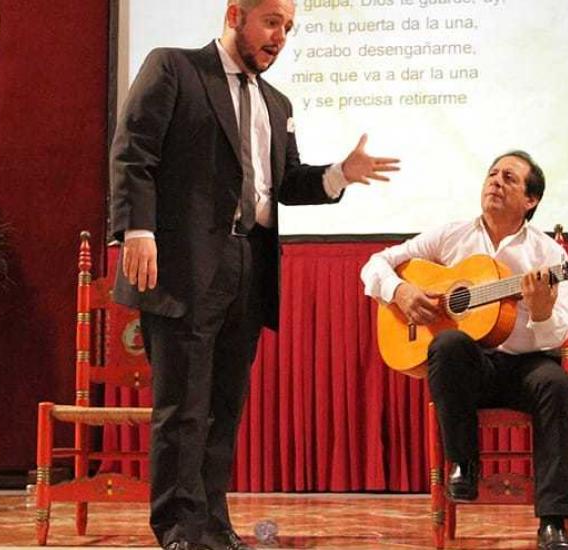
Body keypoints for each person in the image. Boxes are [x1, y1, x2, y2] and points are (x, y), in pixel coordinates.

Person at [109, 1, 399, 549]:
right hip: (185, 263)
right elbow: (133, 153)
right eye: (271, 22)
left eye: (288, 27)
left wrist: (339, 175)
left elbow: (285, 182)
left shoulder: (276, 101)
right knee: (184, 405)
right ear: (235, 14)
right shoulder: (174, 68)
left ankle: (213, 524)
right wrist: (137, 231)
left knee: (223, 406)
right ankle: (178, 528)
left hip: (250, 265)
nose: (280, 36)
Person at [360, 151, 568, 550]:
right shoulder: (452, 236)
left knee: (559, 385)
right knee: (447, 342)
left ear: (530, 200)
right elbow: (376, 264)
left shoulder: (549, 255)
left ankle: (553, 521)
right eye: (492, 174)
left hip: (525, 368)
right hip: (469, 373)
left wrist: (543, 313)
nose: (495, 181)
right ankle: (464, 463)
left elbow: (555, 336)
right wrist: (401, 290)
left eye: (509, 178)